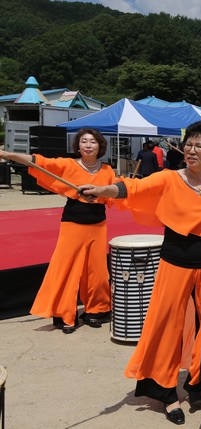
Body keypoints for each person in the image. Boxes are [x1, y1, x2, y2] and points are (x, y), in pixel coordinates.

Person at [82, 121, 201, 425]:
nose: (191, 150)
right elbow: (134, 187)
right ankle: (166, 390)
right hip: (175, 261)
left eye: (200, 145)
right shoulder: (170, 178)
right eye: (189, 143)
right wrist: (106, 189)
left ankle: (199, 383)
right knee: (168, 327)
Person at [0, 128, 116, 333]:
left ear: (100, 146)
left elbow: (116, 192)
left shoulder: (107, 170)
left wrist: (104, 193)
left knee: (96, 271)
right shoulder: (68, 164)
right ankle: (65, 314)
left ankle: (96, 310)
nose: (88, 145)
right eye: (84, 141)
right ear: (78, 146)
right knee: (67, 269)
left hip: (98, 225)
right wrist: (6, 154)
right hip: (73, 223)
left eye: (93, 141)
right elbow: (35, 161)